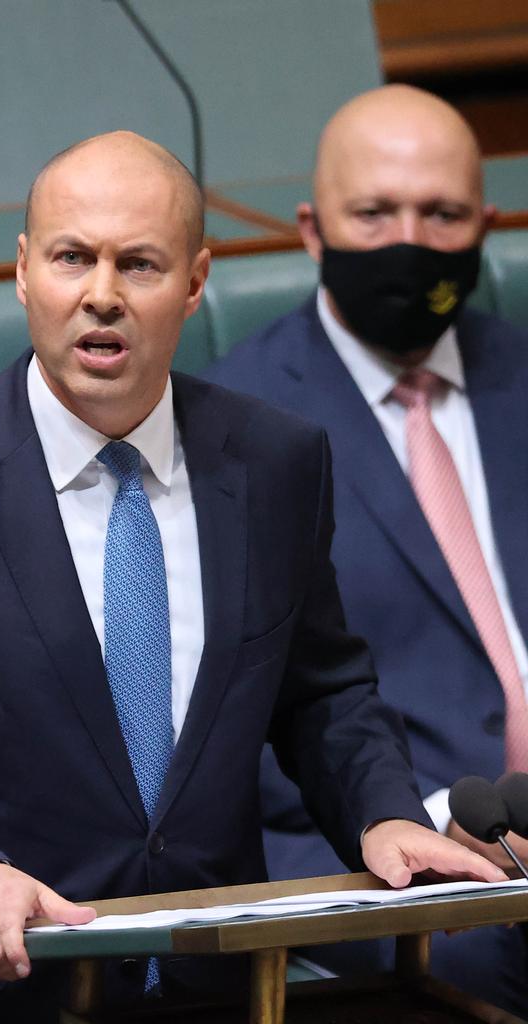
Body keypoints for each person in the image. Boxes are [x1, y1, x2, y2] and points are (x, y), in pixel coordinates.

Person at [0, 131, 504, 1024]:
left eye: (140, 265)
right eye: (74, 258)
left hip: (226, 994)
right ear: (24, 269)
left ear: (195, 283)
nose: (101, 296)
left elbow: (323, 693)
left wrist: (384, 814)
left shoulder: (276, 463)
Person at [206, 85, 528, 1013]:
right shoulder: (234, 431)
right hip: (374, 844)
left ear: (485, 224)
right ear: (312, 230)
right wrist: (403, 819)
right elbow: (228, 730)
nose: (410, 243)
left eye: (442, 214)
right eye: (374, 213)